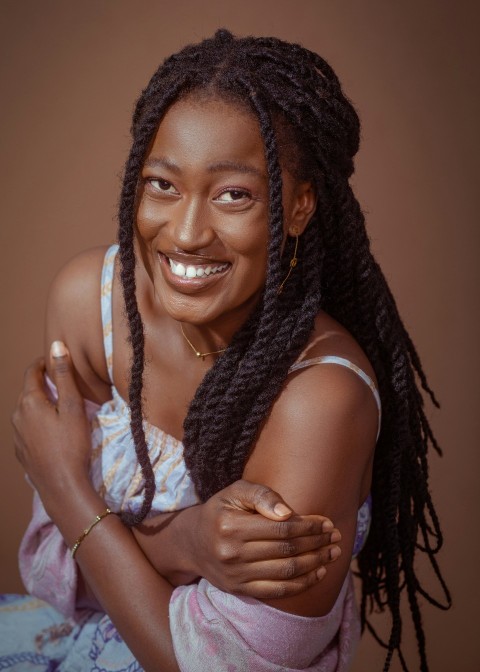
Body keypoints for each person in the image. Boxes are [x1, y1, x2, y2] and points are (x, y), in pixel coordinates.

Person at [2, 29, 449, 672]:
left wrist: (68, 489)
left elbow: (209, 665)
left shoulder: (318, 401)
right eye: (162, 184)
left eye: (233, 194)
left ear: (298, 206)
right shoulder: (90, 305)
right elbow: (51, 576)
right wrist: (188, 541)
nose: (185, 234)